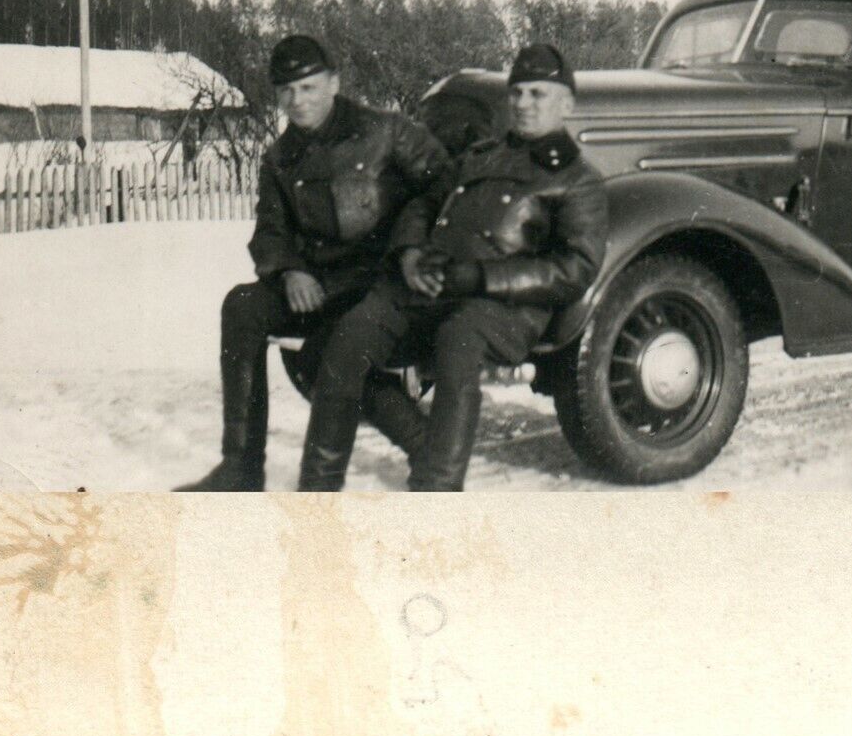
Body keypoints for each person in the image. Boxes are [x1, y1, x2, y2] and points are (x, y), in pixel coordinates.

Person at [294, 43, 608, 491]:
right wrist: (409, 253)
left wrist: (482, 277)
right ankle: (320, 490)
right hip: (431, 284)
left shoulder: (578, 179)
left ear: (567, 105)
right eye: (517, 93)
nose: (523, 104)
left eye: (538, 94)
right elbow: (424, 202)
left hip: (502, 306)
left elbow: (575, 268)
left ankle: (437, 487)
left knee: (458, 342)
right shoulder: (480, 155)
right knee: (342, 344)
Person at [175, 34, 447, 491]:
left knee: (327, 355)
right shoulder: (280, 158)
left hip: (385, 279)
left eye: (308, 87)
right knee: (242, 305)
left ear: (333, 83)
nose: (297, 100)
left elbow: (445, 185)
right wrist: (289, 269)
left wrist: (412, 245)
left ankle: (428, 452)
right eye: (286, 90)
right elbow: (270, 230)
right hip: (323, 283)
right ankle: (241, 466)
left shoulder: (385, 131)